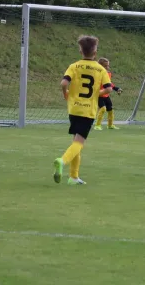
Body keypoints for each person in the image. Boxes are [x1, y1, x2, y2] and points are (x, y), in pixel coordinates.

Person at [53, 35, 112, 185]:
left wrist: (65, 94)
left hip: (73, 108)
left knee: (75, 140)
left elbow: (63, 83)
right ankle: (62, 160)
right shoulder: (100, 69)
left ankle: (73, 177)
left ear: (80, 51)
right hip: (88, 110)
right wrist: (95, 94)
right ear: (95, 52)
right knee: (79, 142)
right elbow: (108, 89)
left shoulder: (74, 66)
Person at [94, 57, 123, 131]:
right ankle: (97, 125)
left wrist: (116, 88)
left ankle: (110, 125)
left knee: (110, 109)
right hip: (99, 95)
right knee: (103, 109)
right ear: (100, 66)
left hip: (106, 95)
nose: (108, 67)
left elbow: (109, 83)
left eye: (108, 65)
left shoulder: (108, 73)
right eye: (106, 66)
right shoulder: (96, 74)